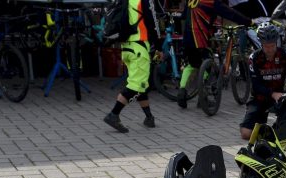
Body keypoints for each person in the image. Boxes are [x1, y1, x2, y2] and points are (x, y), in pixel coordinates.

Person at [177, 0, 252, 109]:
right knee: (208, 66)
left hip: (187, 38)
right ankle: (203, 98)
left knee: (192, 64)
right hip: (199, 39)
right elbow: (230, 13)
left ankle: (182, 91)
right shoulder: (211, 1)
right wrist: (248, 21)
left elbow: (184, 16)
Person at [104, 0, 163, 133]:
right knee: (136, 86)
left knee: (140, 83)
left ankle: (149, 117)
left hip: (127, 48)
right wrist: (159, 47)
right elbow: (153, 23)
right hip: (139, 47)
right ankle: (113, 114)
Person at [240, 23, 286, 140]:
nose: (269, 49)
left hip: (280, 97)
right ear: (261, 44)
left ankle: (281, 127)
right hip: (260, 98)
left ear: (277, 42)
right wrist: (273, 94)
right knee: (246, 134)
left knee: (284, 136)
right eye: (266, 46)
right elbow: (256, 85)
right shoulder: (254, 58)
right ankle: (270, 131)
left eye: (272, 45)